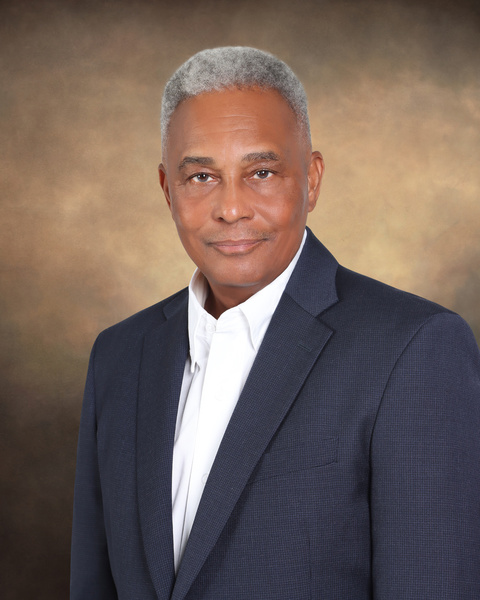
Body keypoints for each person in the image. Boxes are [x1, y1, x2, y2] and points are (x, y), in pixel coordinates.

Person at [70, 47, 480, 599]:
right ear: (167, 190)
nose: (231, 208)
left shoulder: (414, 349)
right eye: (201, 176)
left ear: (311, 180)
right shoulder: (118, 355)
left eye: (261, 172)